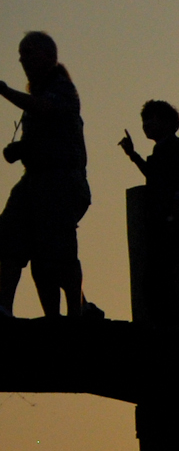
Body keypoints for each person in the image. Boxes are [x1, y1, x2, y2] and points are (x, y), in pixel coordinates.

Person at [0, 32, 92, 319]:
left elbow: (47, 110)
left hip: (62, 184)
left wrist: (3, 90)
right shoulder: (40, 91)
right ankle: (5, 306)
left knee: (58, 256)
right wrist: (21, 149)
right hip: (35, 181)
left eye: (29, 52)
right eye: (20, 53)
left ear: (49, 56)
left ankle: (76, 311)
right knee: (10, 240)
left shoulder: (62, 88)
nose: (22, 59)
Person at [116, 99, 179, 330]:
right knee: (157, 279)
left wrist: (172, 218)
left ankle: (170, 326)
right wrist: (133, 155)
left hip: (175, 227)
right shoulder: (164, 149)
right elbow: (154, 177)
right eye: (144, 120)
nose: (146, 125)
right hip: (164, 225)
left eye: (151, 119)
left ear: (167, 122)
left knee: (165, 279)